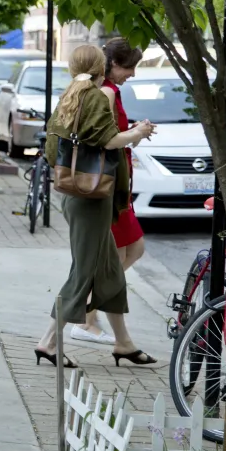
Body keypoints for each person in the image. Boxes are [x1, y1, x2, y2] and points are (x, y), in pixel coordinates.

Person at [34, 44, 157, 369]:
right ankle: (47, 343)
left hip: (78, 196)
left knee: (111, 272)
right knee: (83, 274)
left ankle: (123, 343)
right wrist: (138, 133)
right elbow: (107, 139)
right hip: (91, 198)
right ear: (101, 67)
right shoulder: (96, 96)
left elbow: (52, 146)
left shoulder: (72, 94)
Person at [72, 37, 146, 345]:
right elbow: (105, 138)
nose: (132, 74)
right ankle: (90, 320)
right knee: (113, 260)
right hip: (109, 186)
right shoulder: (106, 92)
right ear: (113, 65)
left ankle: (92, 318)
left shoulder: (111, 91)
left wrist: (135, 134)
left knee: (131, 250)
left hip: (116, 184)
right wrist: (135, 133)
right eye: (129, 67)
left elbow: (114, 136)